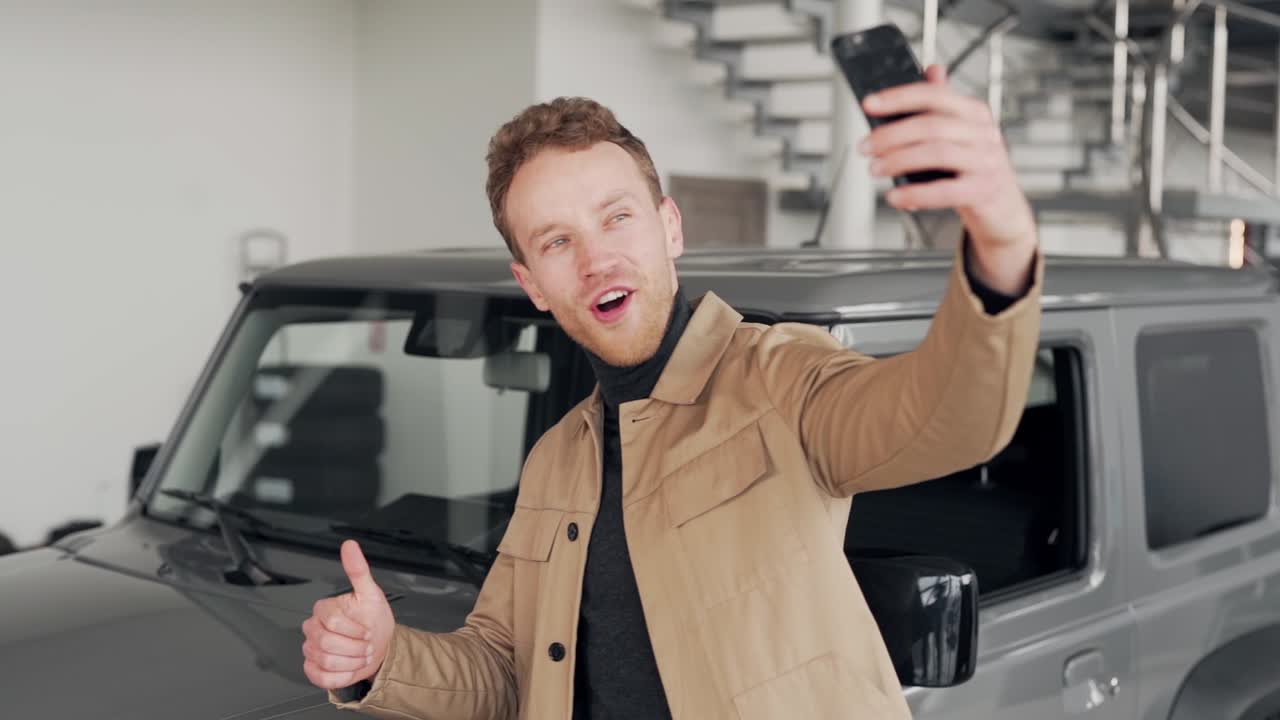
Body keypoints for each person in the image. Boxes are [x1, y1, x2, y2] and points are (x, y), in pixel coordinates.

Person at [303, 64, 1042, 719]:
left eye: (616, 217)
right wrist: (385, 658)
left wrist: (1001, 242)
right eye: (557, 242)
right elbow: (505, 669)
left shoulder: (780, 379)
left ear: (669, 228)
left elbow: (945, 418)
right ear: (532, 284)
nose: (596, 259)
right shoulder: (558, 459)